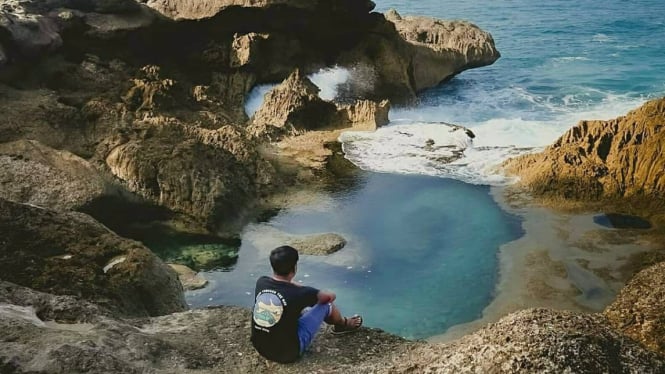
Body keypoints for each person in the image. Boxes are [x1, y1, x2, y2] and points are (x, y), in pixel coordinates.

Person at [250, 245, 363, 363]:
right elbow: (328, 298)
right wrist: (308, 290)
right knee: (326, 306)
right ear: (294, 268)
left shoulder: (261, 282)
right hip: (288, 353)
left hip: (261, 347)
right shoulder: (300, 293)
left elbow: (284, 289)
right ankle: (343, 325)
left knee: (291, 309)